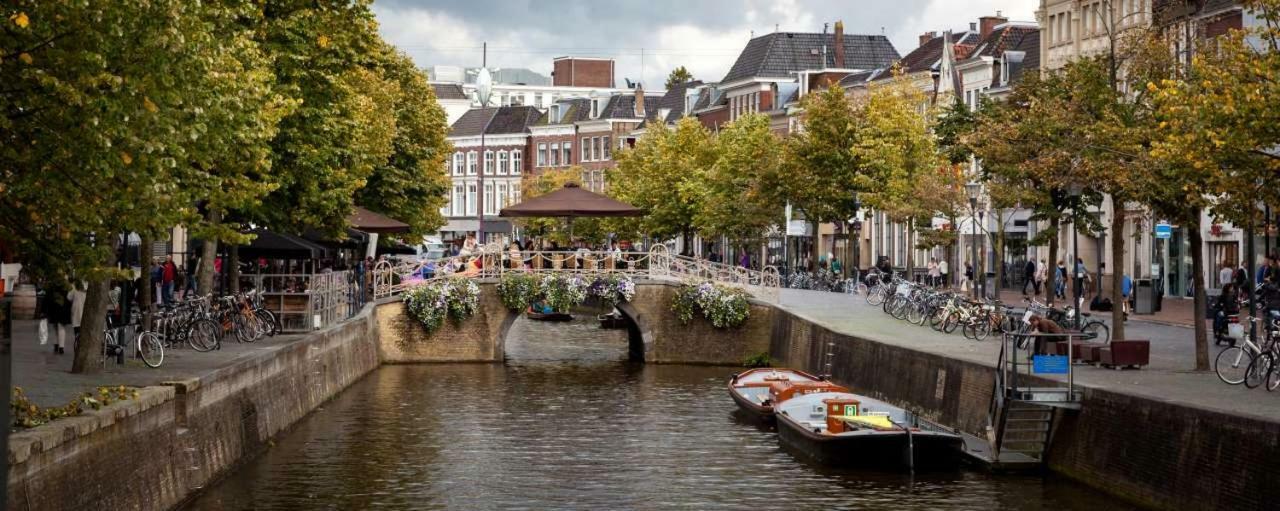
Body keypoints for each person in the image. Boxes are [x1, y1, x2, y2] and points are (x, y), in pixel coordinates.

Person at [68, 282, 86, 349]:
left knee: (76, 329)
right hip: (83, 313)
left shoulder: (74, 290)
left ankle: (77, 342)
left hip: (76, 312)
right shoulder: (85, 292)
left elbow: (68, 297)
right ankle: (81, 343)